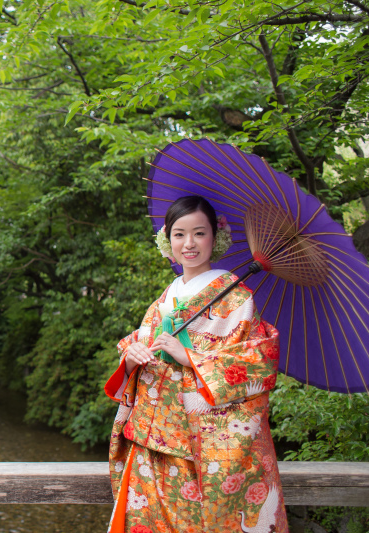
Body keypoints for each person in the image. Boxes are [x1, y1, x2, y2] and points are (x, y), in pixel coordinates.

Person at [104, 195, 288, 532]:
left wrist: (188, 356)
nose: (189, 243)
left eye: (199, 233)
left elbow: (257, 364)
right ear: (168, 240)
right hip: (147, 440)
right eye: (179, 234)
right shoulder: (165, 297)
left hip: (198, 446)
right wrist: (131, 359)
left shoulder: (236, 299)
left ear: (215, 238)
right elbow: (139, 349)